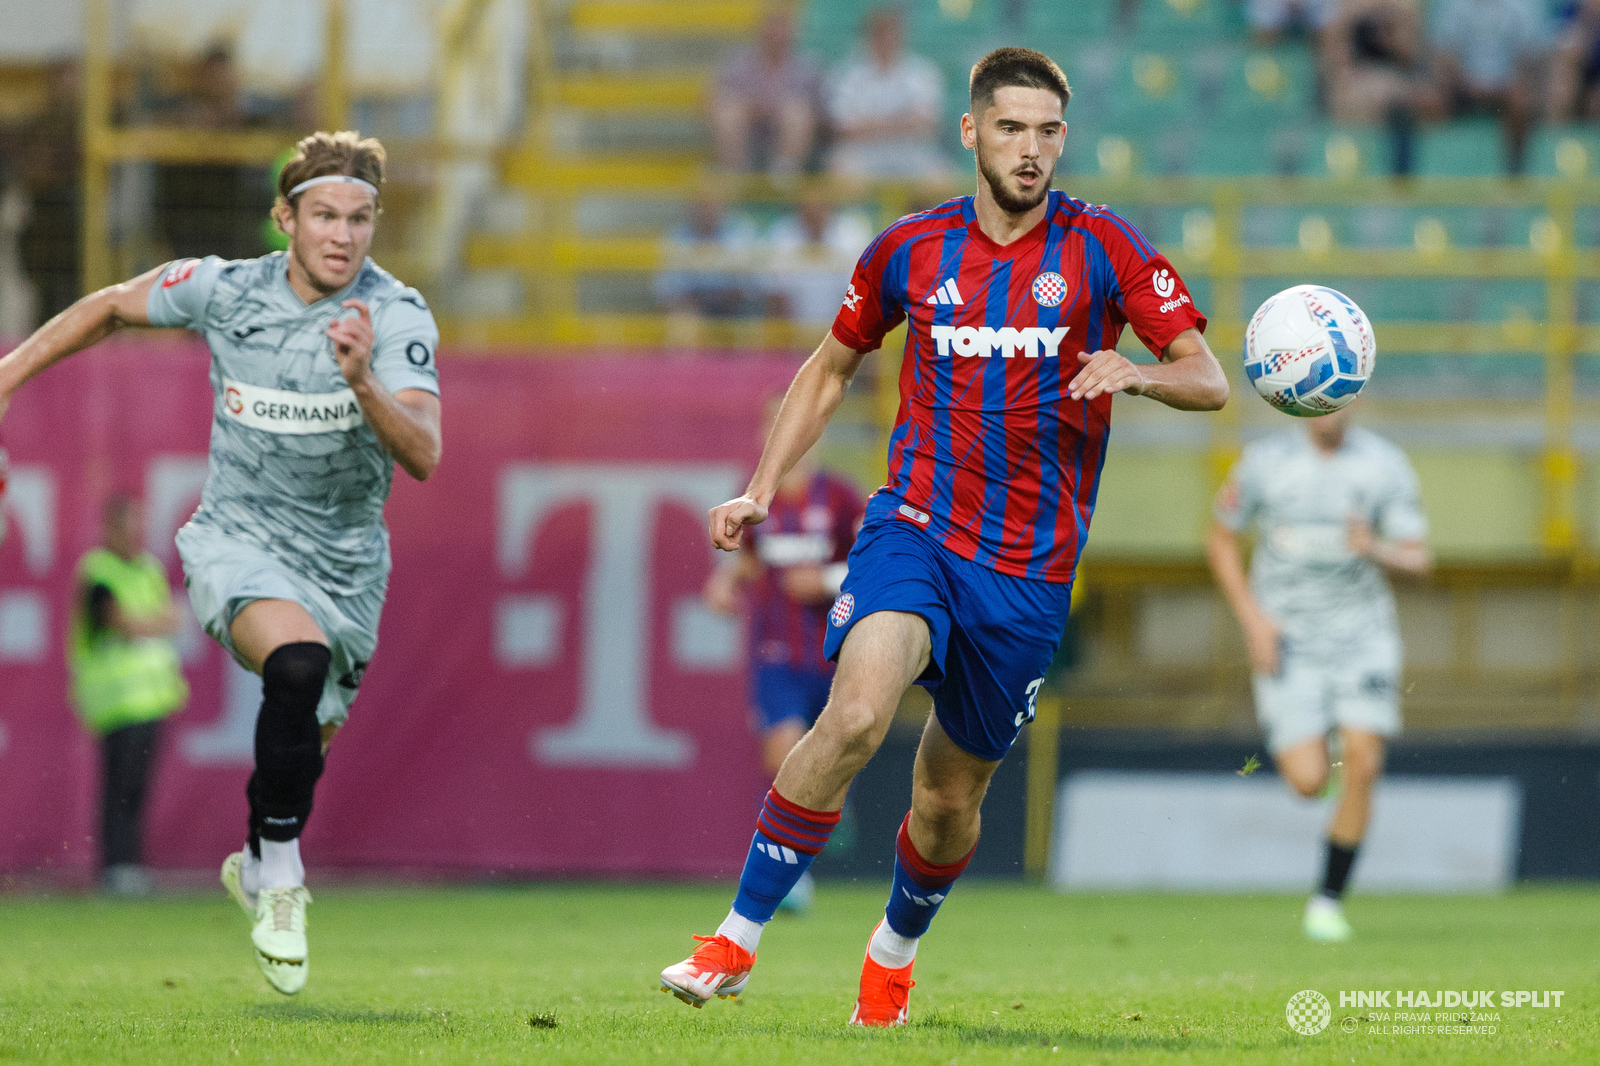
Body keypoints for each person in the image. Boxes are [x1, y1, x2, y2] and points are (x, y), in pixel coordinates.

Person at [660, 47, 1227, 1026]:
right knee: (854, 714)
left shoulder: (1106, 249)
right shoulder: (909, 249)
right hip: (916, 530)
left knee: (946, 799)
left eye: (1048, 131)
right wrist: (761, 485)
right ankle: (734, 939)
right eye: (1010, 127)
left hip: (1029, 574)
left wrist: (1138, 374)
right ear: (970, 132)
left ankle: (892, 953)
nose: (1031, 149)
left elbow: (1207, 377)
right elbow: (831, 367)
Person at [0, 130, 442, 995]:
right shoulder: (226, 289)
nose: (342, 235)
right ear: (286, 219)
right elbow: (110, 306)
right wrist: (8, 377)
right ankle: (281, 875)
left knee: (305, 740)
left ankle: (257, 850)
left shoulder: (395, 316)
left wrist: (363, 383)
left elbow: (423, 452)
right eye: (323, 215)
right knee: (297, 662)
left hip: (348, 561)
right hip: (240, 536)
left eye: (359, 218)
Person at [1206, 403, 1430, 943]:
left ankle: (1327, 902)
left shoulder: (1384, 464)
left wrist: (1372, 547)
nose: (1332, 405)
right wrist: (1253, 622)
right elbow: (1220, 537)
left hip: (1363, 637)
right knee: (1309, 782)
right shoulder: (1265, 460)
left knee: (1365, 761)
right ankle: (1326, 748)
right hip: (1288, 640)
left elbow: (1418, 559)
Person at [703, 399, 864, 911]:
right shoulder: (755, 503)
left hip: (838, 654)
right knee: (782, 756)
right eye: (773, 422)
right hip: (776, 654)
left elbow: (874, 564)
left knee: (831, 762)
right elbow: (749, 565)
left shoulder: (840, 497)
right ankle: (788, 877)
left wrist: (828, 580)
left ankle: (822, 825)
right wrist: (724, 584)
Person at [68, 494, 188, 896]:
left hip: (152, 698)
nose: (133, 533)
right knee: (118, 785)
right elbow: (121, 622)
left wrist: (149, 622)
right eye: (126, 525)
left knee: (138, 786)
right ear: (109, 528)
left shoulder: (147, 568)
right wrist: (152, 622)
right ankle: (116, 865)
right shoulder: (98, 571)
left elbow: (170, 618)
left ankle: (131, 863)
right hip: (116, 700)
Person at [825, 7, 950, 180]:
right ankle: (853, 209)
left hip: (911, 151)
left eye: (892, 33)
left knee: (939, 178)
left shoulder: (922, 72)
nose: (888, 39)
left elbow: (926, 124)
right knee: (840, 170)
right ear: (870, 37)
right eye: (882, 33)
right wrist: (900, 121)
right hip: (861, 150)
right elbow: (844, 127)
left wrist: (873, 123)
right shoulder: (847, 74)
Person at [1429, 0, 1548, 175]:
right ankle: (1427, 177)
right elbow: (1444, 55)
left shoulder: (1524, 5)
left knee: (1521, 100)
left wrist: (1503, 84)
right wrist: (1466, 82)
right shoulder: (1452, 5)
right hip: (1462, 86)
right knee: (1426, 101)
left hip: (1507, 87)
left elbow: (1529, 57)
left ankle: (1515, 178)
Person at [710, 6, 821, 176]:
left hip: (793, 135)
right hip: (750, 132)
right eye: (771, 26)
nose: (775, 33)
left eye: (781, 26)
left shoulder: (807, 66)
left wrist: (777, 110)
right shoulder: (739, 62)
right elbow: (714, 100)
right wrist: (755, 108)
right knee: (728, 112)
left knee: (796, 114)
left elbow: (819, 110)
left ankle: (784, 176)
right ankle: (735, 175)